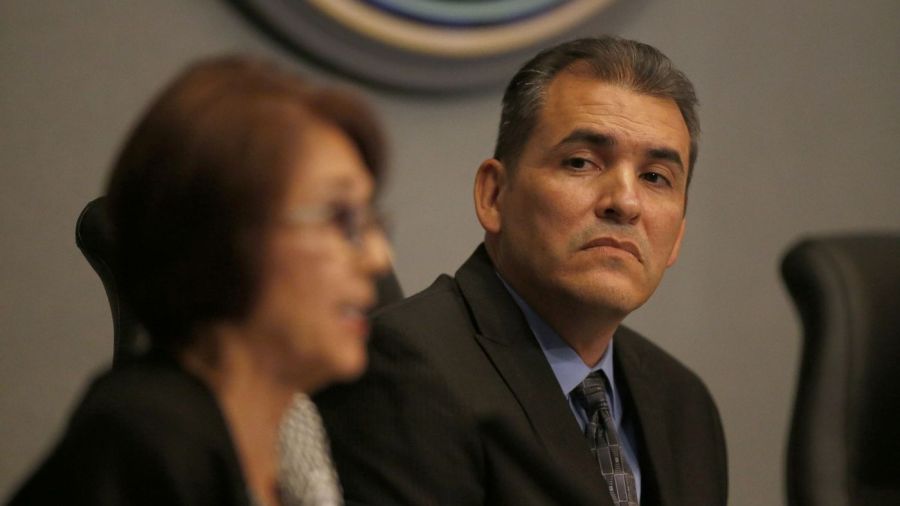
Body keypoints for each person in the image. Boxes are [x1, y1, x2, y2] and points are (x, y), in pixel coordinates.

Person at [315, 36, 727, 506]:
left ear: (676, 236)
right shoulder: (404, 371)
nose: (626, 202)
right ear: (494, 195)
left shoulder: (684, 404)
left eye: (655, 177)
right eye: (581, 163)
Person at [9, 56, 390, 505]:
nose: (380, 258)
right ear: (223, 236)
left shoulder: (292, 440)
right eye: (342, 219)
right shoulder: (146, 437)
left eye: (372, 222)